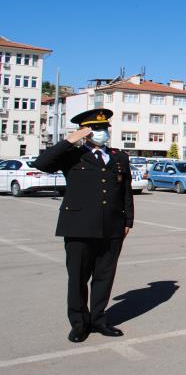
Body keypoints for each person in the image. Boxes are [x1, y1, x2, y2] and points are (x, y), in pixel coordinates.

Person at [32, 109, 134, 343]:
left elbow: (126, 191)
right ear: (84, 132)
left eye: (105, 128)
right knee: (77, 278)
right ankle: (79, 324)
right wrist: (68, 140)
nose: (103, 132)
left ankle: (99, 320)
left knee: (104, 277)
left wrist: (128, 220)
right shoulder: (72, 155)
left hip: (112, 227)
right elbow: (42, 163)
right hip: (78, 227)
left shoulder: (119, 157)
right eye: (96, 129)